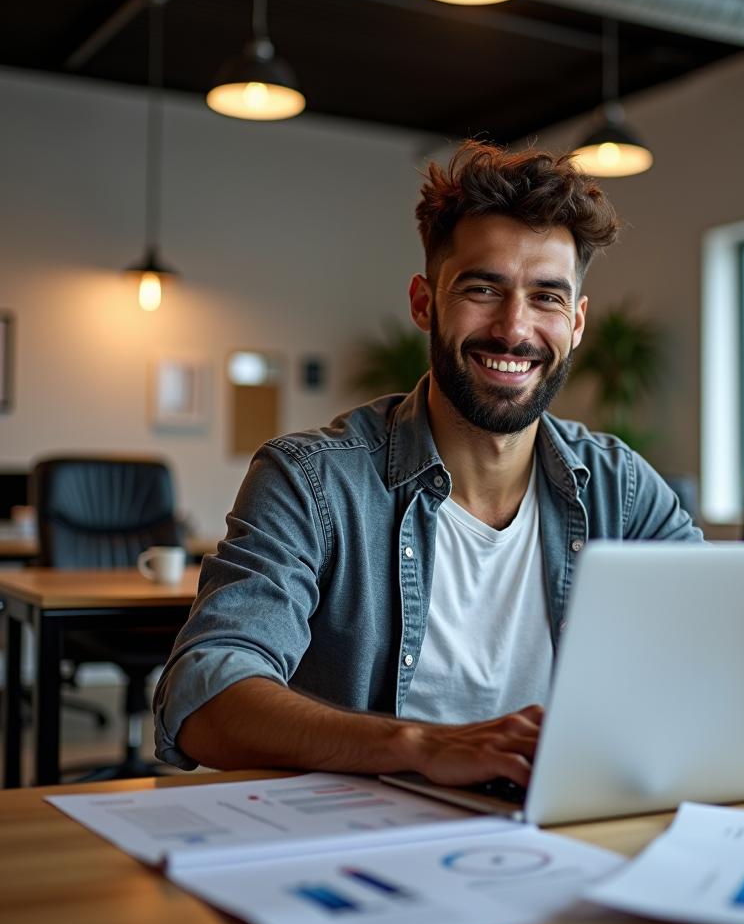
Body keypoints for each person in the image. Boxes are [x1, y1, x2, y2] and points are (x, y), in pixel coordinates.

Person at [154, 141, 703, 787]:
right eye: (483, 288)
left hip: (562, 832)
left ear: (577, 322)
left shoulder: (623, 488)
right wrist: (419, 746)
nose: (515, 328)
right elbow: (203, 695)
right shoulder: (312, 481)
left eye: (547, 298)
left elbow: (717, 658)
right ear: (424, 303)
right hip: (360, 841)